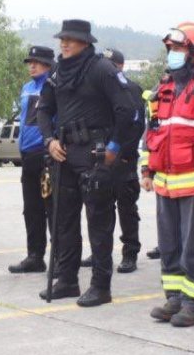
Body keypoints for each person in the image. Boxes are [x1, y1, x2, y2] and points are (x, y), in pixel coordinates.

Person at [35, 20, 137, 307]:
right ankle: (67, 279)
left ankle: (100, 286)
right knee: (64, 220)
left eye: (70, 39)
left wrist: (115, 147)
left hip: (95, 152)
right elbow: (44, 109)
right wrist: (48, 140)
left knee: (99, 222)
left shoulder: (101, 68)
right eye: (62, 39)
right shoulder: (57, 69)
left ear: (85, 42)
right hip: (64, 152)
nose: (63, 44)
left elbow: (126, 109)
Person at [141, 24, 194, 327]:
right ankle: (174, 297)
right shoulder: (164, 88)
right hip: (164, 182)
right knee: (170, 245)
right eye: (171, 50)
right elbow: (152, 133)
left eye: (179, 49)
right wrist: (146, 169)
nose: (173, 55)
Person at [78, 47, 144, 273]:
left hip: (123, 158)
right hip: (100, 159)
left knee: (126, 208)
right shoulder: (95, 91)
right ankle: (99, 252)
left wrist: (122, 153)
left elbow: (136, 125)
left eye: (111, 65)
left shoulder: (132, 89)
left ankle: (130, 253)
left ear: (120, 66)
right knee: (98, 209)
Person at [9, 45, 55, 274]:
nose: (32, 65)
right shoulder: (27, 88)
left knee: (53, 208)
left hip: (46, 154)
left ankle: (60, 258)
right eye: (30, 62)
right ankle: (35, 256)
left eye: (36, 61)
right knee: (32, 209)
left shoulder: (55, 85)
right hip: (27, 154)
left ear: (48, 63)